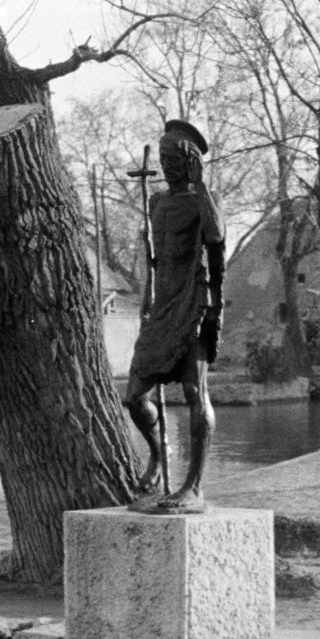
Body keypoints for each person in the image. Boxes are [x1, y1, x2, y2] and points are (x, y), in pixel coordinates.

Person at [125, 119, 226, 513]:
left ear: (191, 163)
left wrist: (201, 187)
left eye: (175, 158)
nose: (167, 165)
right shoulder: (156, 203)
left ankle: (193, 486)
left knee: (194, 392)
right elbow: (154, 259)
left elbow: (216, 236)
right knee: (134, 396)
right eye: (163, 157)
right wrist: (146, 296)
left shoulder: (204, 201)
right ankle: (159, 453)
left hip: (194, 303)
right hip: (162, 306)